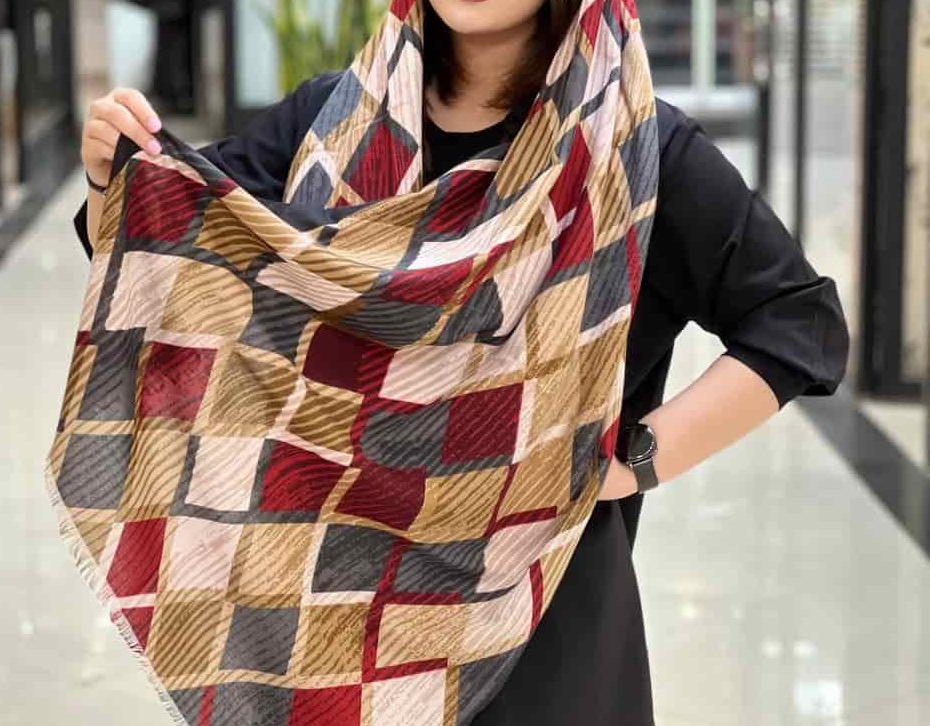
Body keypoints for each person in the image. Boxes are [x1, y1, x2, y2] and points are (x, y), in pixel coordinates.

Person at [72, 0, 849, 722]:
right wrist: (111, 176)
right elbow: (167, 254)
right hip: (326, 610)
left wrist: (634, 461)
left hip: (540, 623)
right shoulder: (331, 124)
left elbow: (799, 320)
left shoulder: (630, 151)